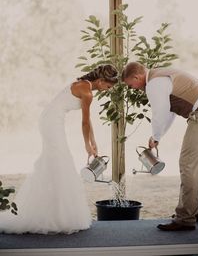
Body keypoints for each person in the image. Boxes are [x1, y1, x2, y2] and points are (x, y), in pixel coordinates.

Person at [0, 64, 118, 234]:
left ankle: (51, 211)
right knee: (61, 160)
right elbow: (84, 122)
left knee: (54, 163)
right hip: (51, 122)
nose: (107, 90)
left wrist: (93, 142)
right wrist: (87, 145)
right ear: (100, 81)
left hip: (51, 119)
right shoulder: (87, 92)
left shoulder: (85, 84)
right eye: (108, 86)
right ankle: (52, 215)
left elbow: (88, 120)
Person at [122, 62, 198, 231]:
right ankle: (196, 210)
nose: (132, 88)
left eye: (131, 85)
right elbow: (169, 112)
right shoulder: (161, 75)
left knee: (188, 165)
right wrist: (158, 136)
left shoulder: (154, 83)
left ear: (136, 77)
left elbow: (160, 111)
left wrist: (155, 135)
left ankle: (185, 218)